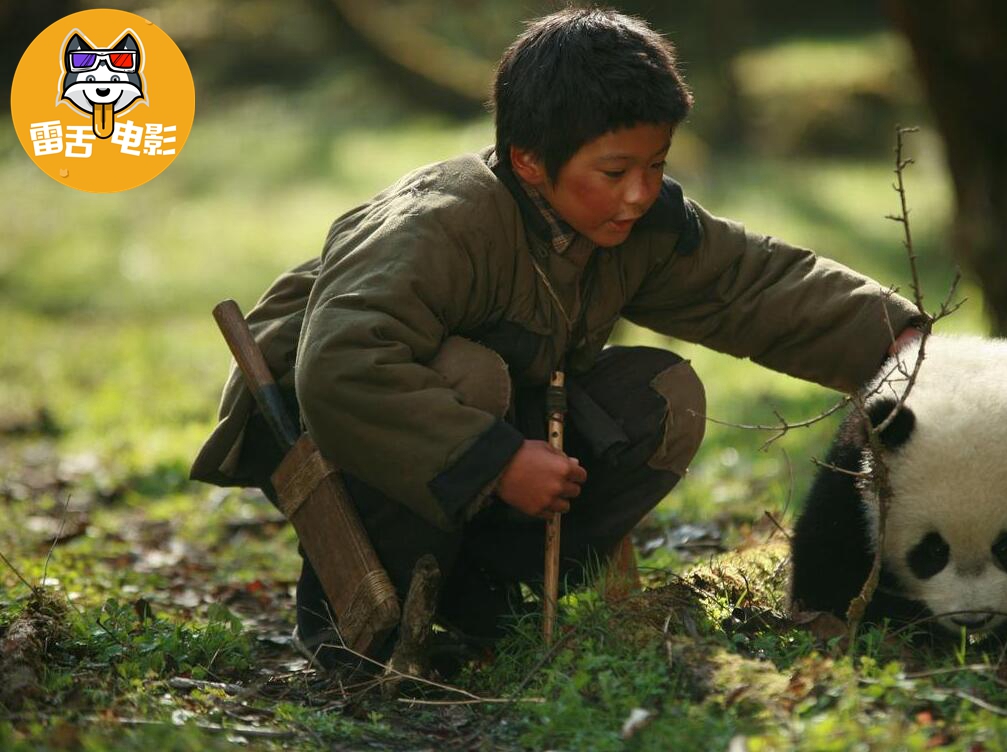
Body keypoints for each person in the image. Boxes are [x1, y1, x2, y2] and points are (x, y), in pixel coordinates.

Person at [190, 7, 921, 671]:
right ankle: (360, 631)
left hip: (468, 422)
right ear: (530, 162)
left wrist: (899, 342)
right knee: (471, 376)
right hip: (321, 426)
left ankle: (482, 606)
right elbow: (342, 367)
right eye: (614, 171)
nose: (640, 193)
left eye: (656, 165)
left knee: (661, 399)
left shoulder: (633, 222)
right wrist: (498, 459)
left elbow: (752, 283)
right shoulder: (442, 220)